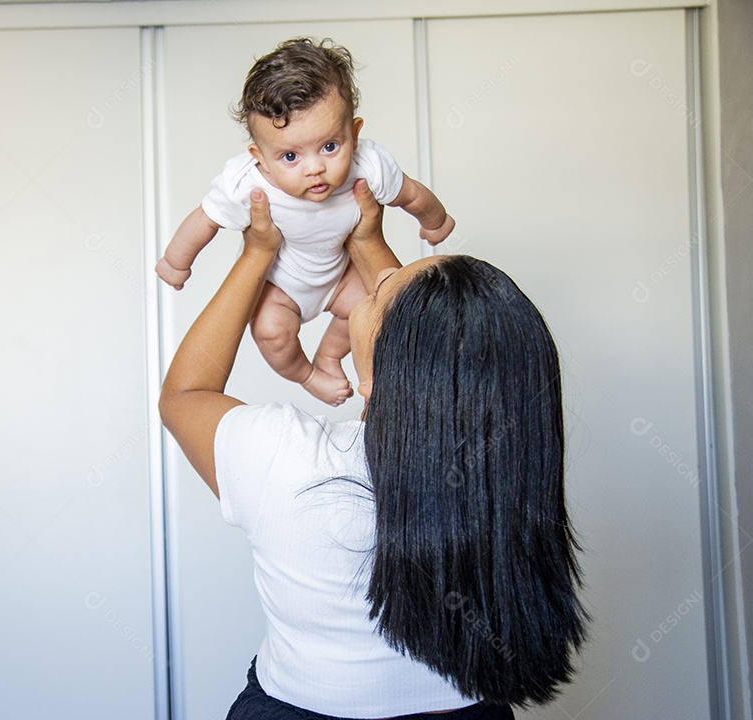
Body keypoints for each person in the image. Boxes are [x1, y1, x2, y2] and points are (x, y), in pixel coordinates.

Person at [159, 181, 587, 719]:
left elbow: (185, 395)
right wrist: (366, 237)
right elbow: (430, 344)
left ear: (381, 377)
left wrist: (256, 253)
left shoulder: (289, 462)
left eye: (377, 293)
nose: (373, 281)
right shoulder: (506, 469)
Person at [155, 38, 454, 407]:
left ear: (354, 134)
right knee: (270, 332)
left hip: (340, 276)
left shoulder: (369, 165)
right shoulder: (247, 182)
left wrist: (435, 221)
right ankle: (308, 375)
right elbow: (205, 220)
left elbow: (411, 194)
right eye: (290, 156)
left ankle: (328, 356)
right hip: (282, 285)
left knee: (375, 309)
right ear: (260, 158)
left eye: (329, 147)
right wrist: (176, 261)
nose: (315, 168)